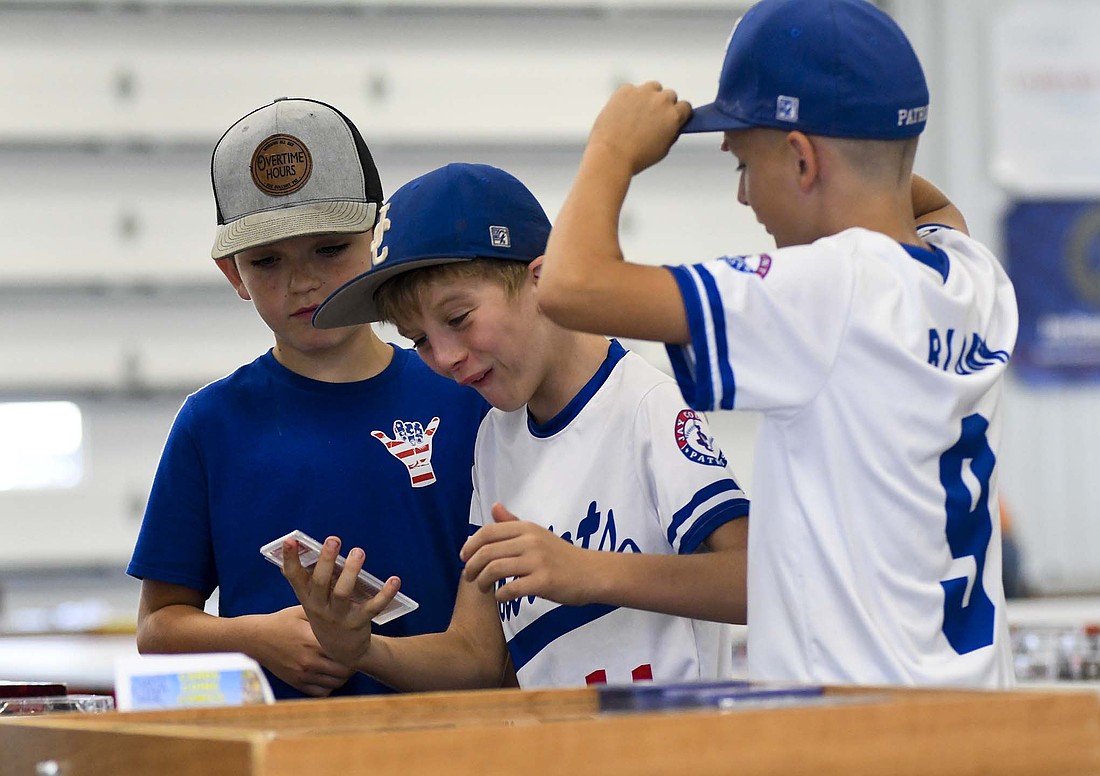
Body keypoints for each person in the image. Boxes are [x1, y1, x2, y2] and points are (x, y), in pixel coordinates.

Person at [537, 0, 1019, 688]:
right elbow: (930, 208)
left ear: (800, 158)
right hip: (975, 715)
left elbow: (569, 286)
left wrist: (611, 149)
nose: (741, 197)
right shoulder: (972, 277)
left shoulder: (826, 289)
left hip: (860, 736)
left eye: (742, 163)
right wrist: (857, 150)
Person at [281, 162, 750, 689]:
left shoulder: (644, 404)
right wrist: (362, 648)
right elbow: (477, 656)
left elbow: (757, 581)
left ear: (541, 280)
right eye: (418, 340)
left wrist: (588, 571)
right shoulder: (494, 440)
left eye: (458, 319)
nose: (445, 357)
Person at [126, 98, 487, 700]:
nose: (303, 281)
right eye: (267, 261)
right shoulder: (211, 424)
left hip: (447, 741)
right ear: (231, 273)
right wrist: (258, 637)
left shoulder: (464, 394)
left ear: (376, 238)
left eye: (329, 249)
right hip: (280, 750)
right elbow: (157, 625)